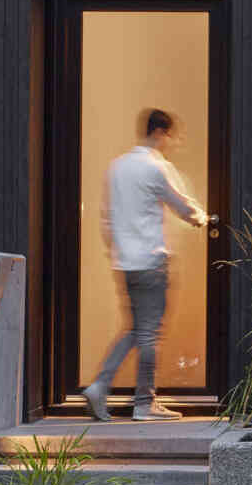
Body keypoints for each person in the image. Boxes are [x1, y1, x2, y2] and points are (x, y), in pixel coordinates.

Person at [81, 108, 212, 421]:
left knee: (137, 329)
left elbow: (106, 220)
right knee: (150, 333)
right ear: (159, 133)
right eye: (171, 136)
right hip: (151, 261)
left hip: (124, 263)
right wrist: (203, 218)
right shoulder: (156, 168)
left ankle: (101, 386)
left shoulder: (117, 167)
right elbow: (182, 207)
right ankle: (143, 404)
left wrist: (117, 250)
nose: (173, 143)